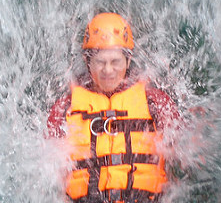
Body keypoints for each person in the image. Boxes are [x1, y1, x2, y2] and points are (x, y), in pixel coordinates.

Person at [47, 12, 180, 203]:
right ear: (87, 62)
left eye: (115, 62)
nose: (108, 70)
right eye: (100, 62)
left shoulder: (156, 103)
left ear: (128, 60)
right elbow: (48, 175)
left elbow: (184, 156)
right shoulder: (64, 109)